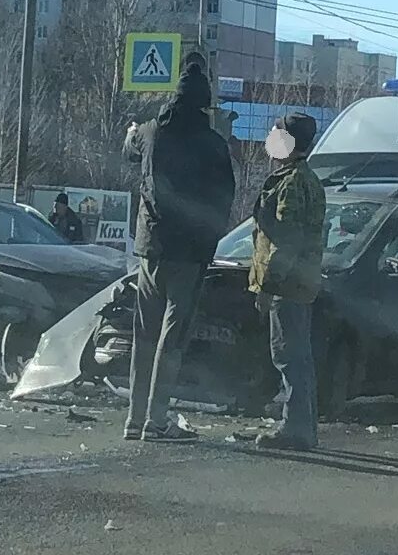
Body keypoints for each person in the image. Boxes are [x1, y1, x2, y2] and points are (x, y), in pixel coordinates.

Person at [122, 62, 235, 442]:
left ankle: (134, 419)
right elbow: (225, 199)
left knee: (144, 334)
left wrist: (131, 132)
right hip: (189, 254)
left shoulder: (152, 133)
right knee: (172, 338)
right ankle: (157, 420)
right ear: (204, 104)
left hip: (151, 250)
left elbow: (129, 149)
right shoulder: (214, 145)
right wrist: (210, 239)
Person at [249, 113, 327, 451]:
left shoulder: (293, 182)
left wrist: (269, 285)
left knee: (288, 357)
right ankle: (303, 427)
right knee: (299, 358)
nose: (271, 138)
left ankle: (294, 429)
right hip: (301, 282)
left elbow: (286, 240)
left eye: (276, 133)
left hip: (288, 285)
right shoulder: (305, 179)